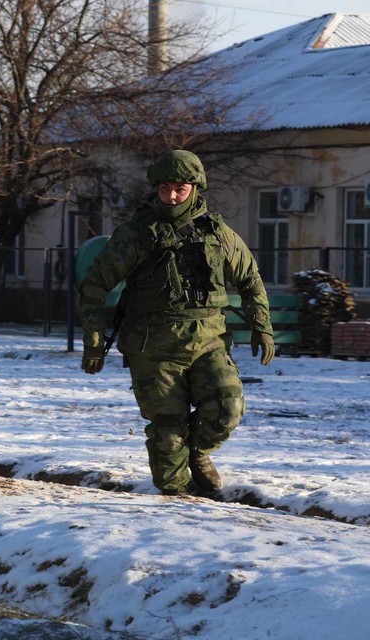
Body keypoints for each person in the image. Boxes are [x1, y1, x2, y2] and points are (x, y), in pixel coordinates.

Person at [78, 150, 274, 496]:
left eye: (179, 189)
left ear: (195, 188)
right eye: (165, 188)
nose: (171, 196)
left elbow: (249, 279)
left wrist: (262, 326)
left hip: (208, 340)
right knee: (168, 432)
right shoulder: (137, 233)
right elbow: (95, 285)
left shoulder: (217, 233)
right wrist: (94, 341)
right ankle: (176, 504)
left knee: (227, 409)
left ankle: (198, 452)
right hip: (153, 345)